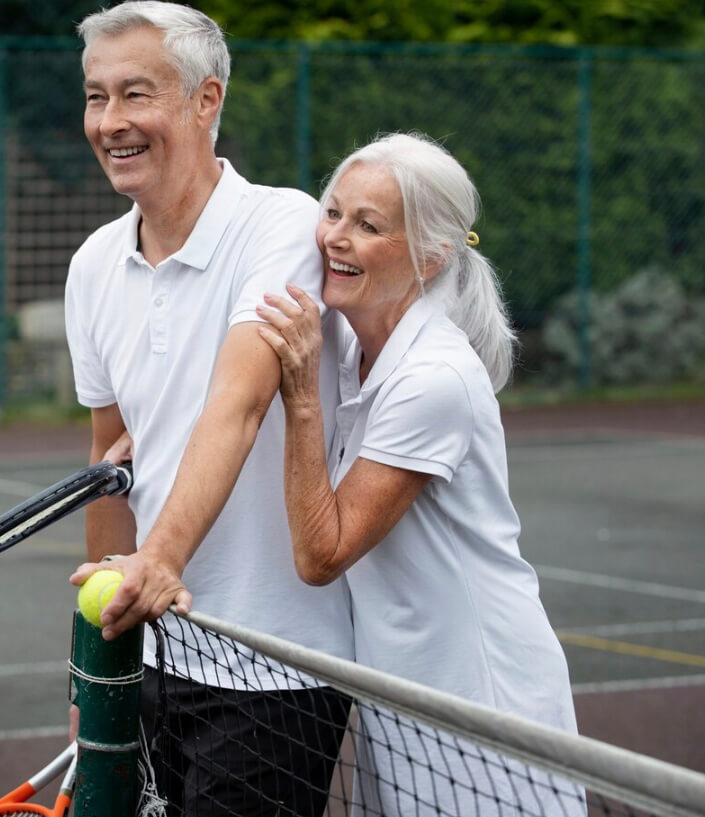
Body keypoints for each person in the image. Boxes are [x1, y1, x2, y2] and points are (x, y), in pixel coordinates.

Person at [63, 3, 355, 815]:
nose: (111, 122)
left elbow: (240, 402)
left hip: (274, 666)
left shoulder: (281, 224)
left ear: (204, 101)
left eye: (135, 94)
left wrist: (160, 560)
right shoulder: (91, 265)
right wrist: (101, 654)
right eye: (95, 97)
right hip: (154, 659)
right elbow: (106, 471)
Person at [256, 131, 584, 814]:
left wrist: (302, 398)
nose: (334, 238)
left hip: (480, 696)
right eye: (333, 212)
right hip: (400, 689)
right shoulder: (349, 340)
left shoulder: (433, 377)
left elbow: (322, 553)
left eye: (367, 225)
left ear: (431, 258)